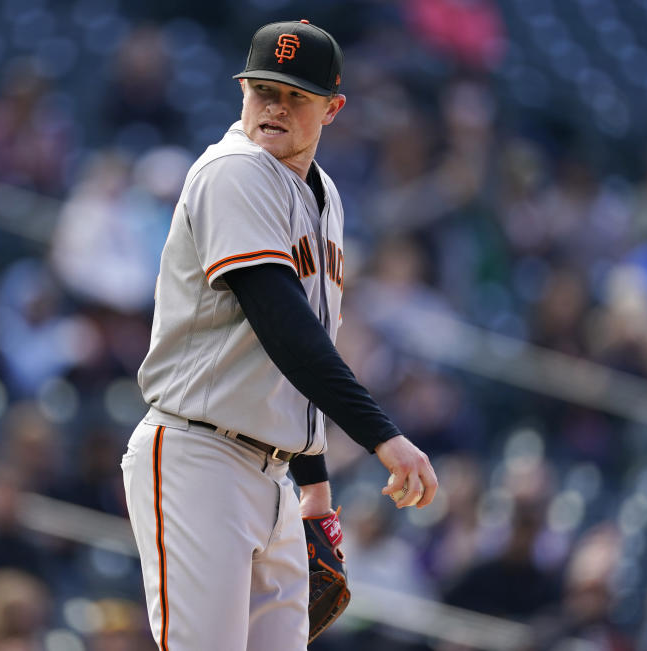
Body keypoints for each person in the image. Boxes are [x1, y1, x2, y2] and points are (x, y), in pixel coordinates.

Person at [122, 19, 438, 650]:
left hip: (274, 473)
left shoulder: (327, 198)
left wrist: (315, 481)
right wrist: (383, 436)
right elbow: (282, 325)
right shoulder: (232, 172)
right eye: (264, 89)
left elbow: (305, 349)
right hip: (198, 453)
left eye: (295, 95)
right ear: (242, 89)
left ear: (333, 108)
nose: (274, 106)